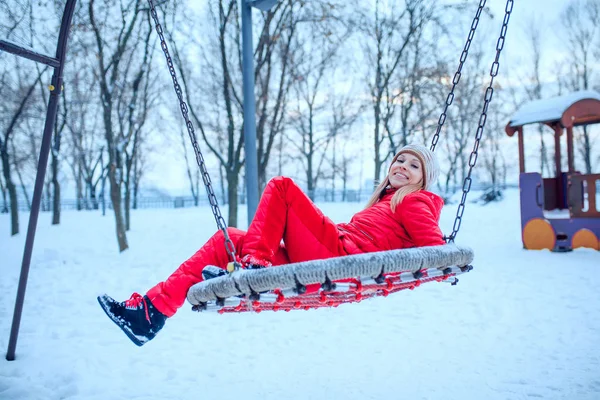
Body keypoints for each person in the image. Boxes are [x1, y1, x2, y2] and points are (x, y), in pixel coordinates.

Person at [98, 143, 445, 346]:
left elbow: (435, 250)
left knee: (281, 186)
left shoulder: (413, 201)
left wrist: (446, 262)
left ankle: (254, 265)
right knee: (230, 239)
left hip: (339, 260)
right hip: (330, 256)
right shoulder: (385, 202)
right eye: (400, 159)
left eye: (414, 165)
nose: (403, 166)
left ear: (423, 179)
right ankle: (151, 313)